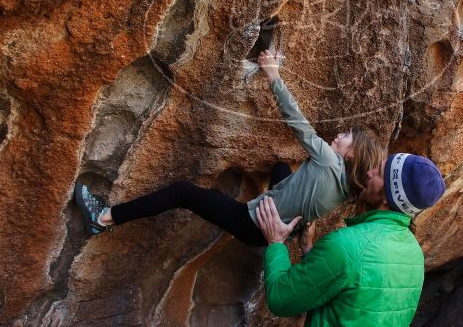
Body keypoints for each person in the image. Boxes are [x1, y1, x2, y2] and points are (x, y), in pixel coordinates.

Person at [74, 49, 386, 246]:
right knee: (280, 168)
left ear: (352, 153)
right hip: (276, 233)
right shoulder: (345, 190)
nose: (341, 135)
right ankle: (273, 200)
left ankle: (103, 218)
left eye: (348, 136)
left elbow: (296, 120)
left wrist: (273, 74)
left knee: (182, 192)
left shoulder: (327, 160)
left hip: (251, 224)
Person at [256, 152, 446, 327]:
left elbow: (281, 298)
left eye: (379, 173)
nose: (368, 173)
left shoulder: (347, 245)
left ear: (390, 197)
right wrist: (310, 254)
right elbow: (356, 299)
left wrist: (276, 243)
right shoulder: (413, 252)